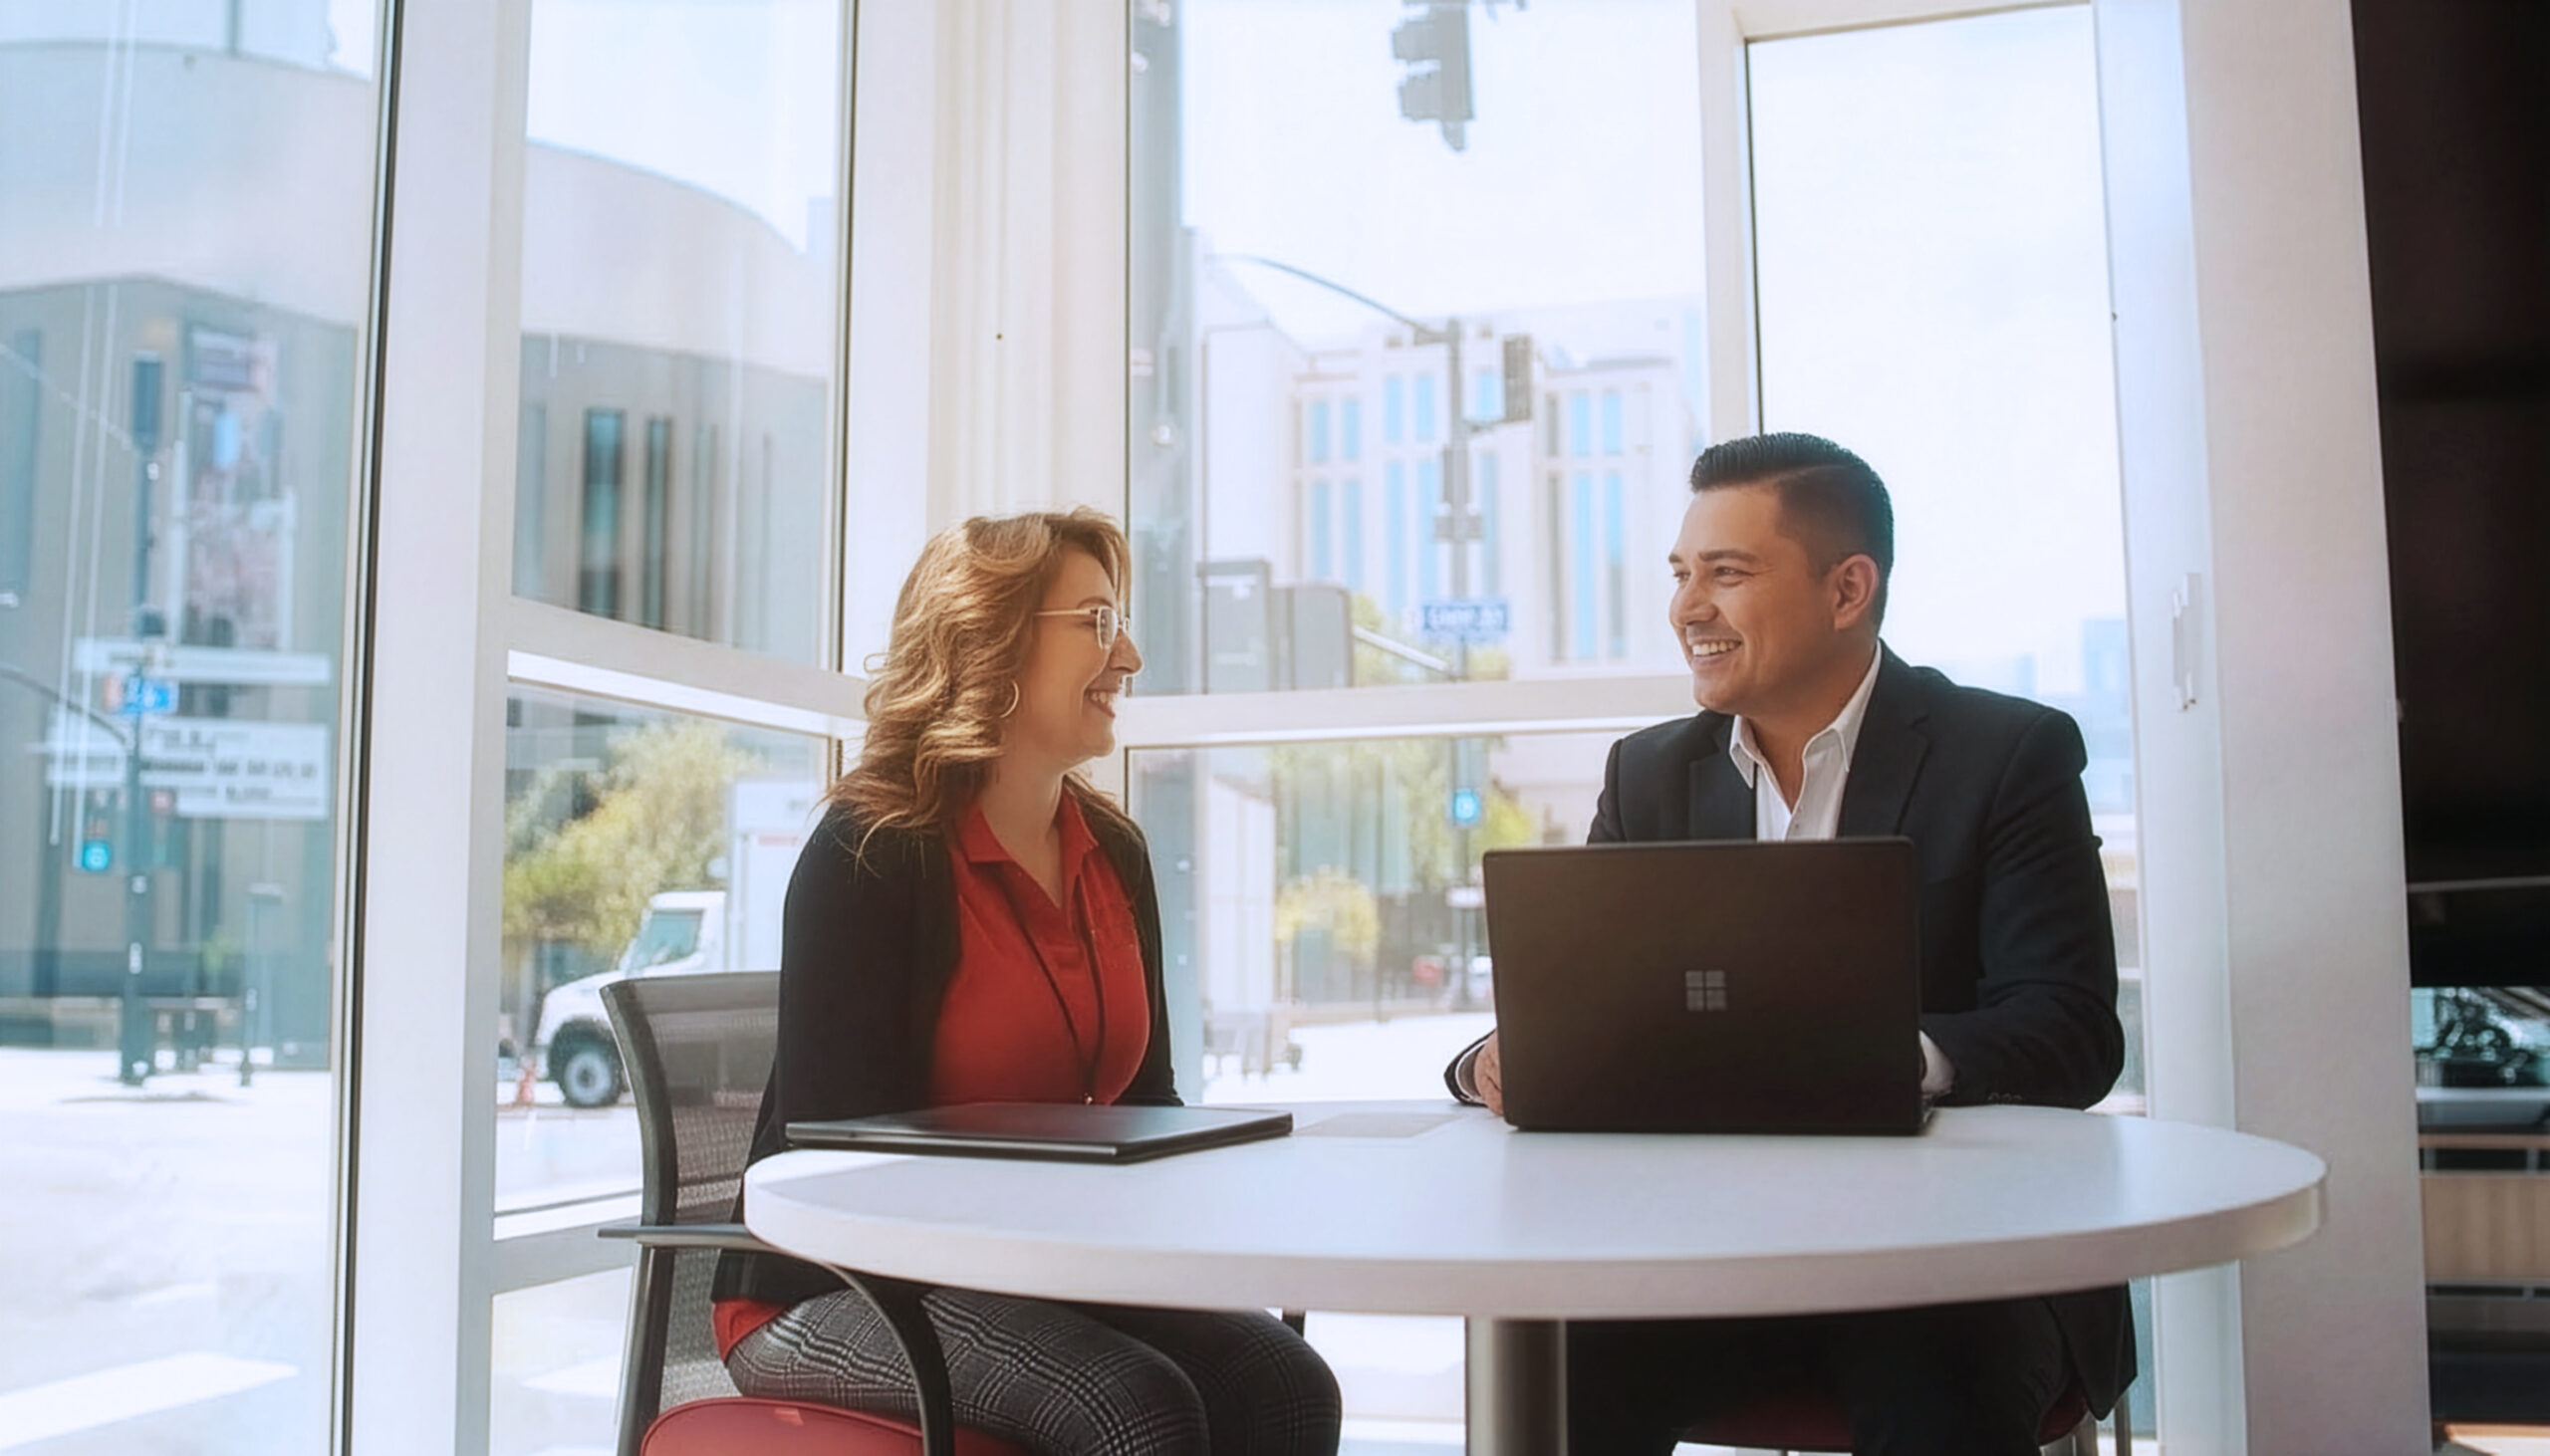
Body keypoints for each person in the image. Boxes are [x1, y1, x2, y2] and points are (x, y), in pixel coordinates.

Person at [1444, 432, 2132, 1456]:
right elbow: (1583, 1012)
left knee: (1933, 1376)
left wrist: (1884, 1059)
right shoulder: (1648, 775)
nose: (1686, 608)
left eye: (1727, 572)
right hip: (1702, 1258)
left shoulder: (2007, 753)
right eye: (1682, 575)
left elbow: (2070, 1030)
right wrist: (1496, 1059)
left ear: (1847, 588)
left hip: (1952, 1260)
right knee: (1551, 1348)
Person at [713, 509, 1341, 1456]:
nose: (1128, 654)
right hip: (836, 1286)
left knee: (1286, 1383)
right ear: (990, 641)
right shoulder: (872, 853)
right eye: (1094, 622)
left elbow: (1144, 1102)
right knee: (1139, 1407)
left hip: (1033, 1265)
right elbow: (837, 1160)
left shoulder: (1114, 852)